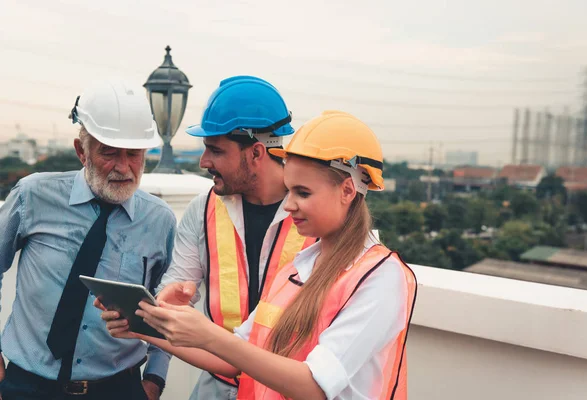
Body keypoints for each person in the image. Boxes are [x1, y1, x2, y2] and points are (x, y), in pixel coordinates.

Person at [103, 110, 417, 399]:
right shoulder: (297, 269)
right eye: (290, 190)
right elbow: (234, 357)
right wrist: (142, 328)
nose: (289, 205)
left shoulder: (380, 276)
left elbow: (315, 385)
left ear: (348, 190)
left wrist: (210, 335)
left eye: (302, 193)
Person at [0, 79, 176, 399]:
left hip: (119, 388)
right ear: (82, 151)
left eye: (134, 154)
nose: (123, 167)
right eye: (109, 153)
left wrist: (154, 378)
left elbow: (171, 304)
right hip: (27, 386)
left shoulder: (160, 220)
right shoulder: (32, 196)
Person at [142, 75, 316, 399]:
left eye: (215, 150)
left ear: (256, 153)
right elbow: (177, 287)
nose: (203, 162)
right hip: (216, 389)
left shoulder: (315, 214)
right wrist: (157, 309)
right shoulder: (204, 208)